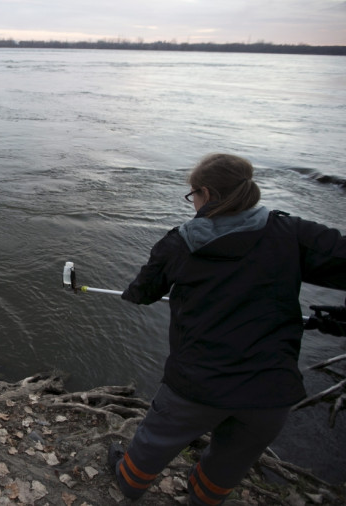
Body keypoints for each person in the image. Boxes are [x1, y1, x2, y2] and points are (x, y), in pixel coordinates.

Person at [109, 153, 346, 505]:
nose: (193, 203)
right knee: (232, 459)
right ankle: (201, 496)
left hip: (196, 386)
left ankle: (128, 483)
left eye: (193, 195)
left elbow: (142, 293)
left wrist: (133, 291)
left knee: (153, 442)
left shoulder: (180, 242)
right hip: (270, 391)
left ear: (205, 193)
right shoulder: (292, 232)